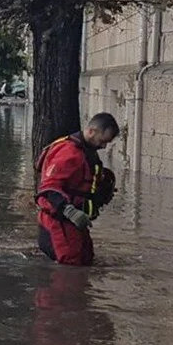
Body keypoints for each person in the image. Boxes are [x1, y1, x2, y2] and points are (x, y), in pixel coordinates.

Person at [34, 113, 120, 266]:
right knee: (70, 264)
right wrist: (69, 211)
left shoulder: (87, 151)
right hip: (58, 221)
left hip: (75, 222)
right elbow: (47, 191)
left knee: (86, 259)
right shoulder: (68, 152)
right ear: (92, 131)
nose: (104, 146)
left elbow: (84, 181)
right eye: (103, 141)